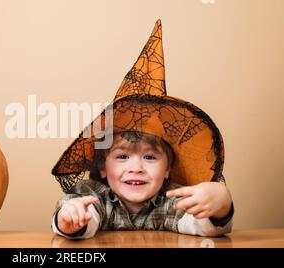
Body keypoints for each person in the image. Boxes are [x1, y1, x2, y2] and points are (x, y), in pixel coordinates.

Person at [50, 20, 234, 239]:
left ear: (167, 169)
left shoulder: (173, 199)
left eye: (149, 156)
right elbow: (82, 216)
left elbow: (201, 226)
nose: (136, 168)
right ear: (102, 168)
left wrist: (221, 204)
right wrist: (70, 219)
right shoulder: (92, 196)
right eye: (122, 156)